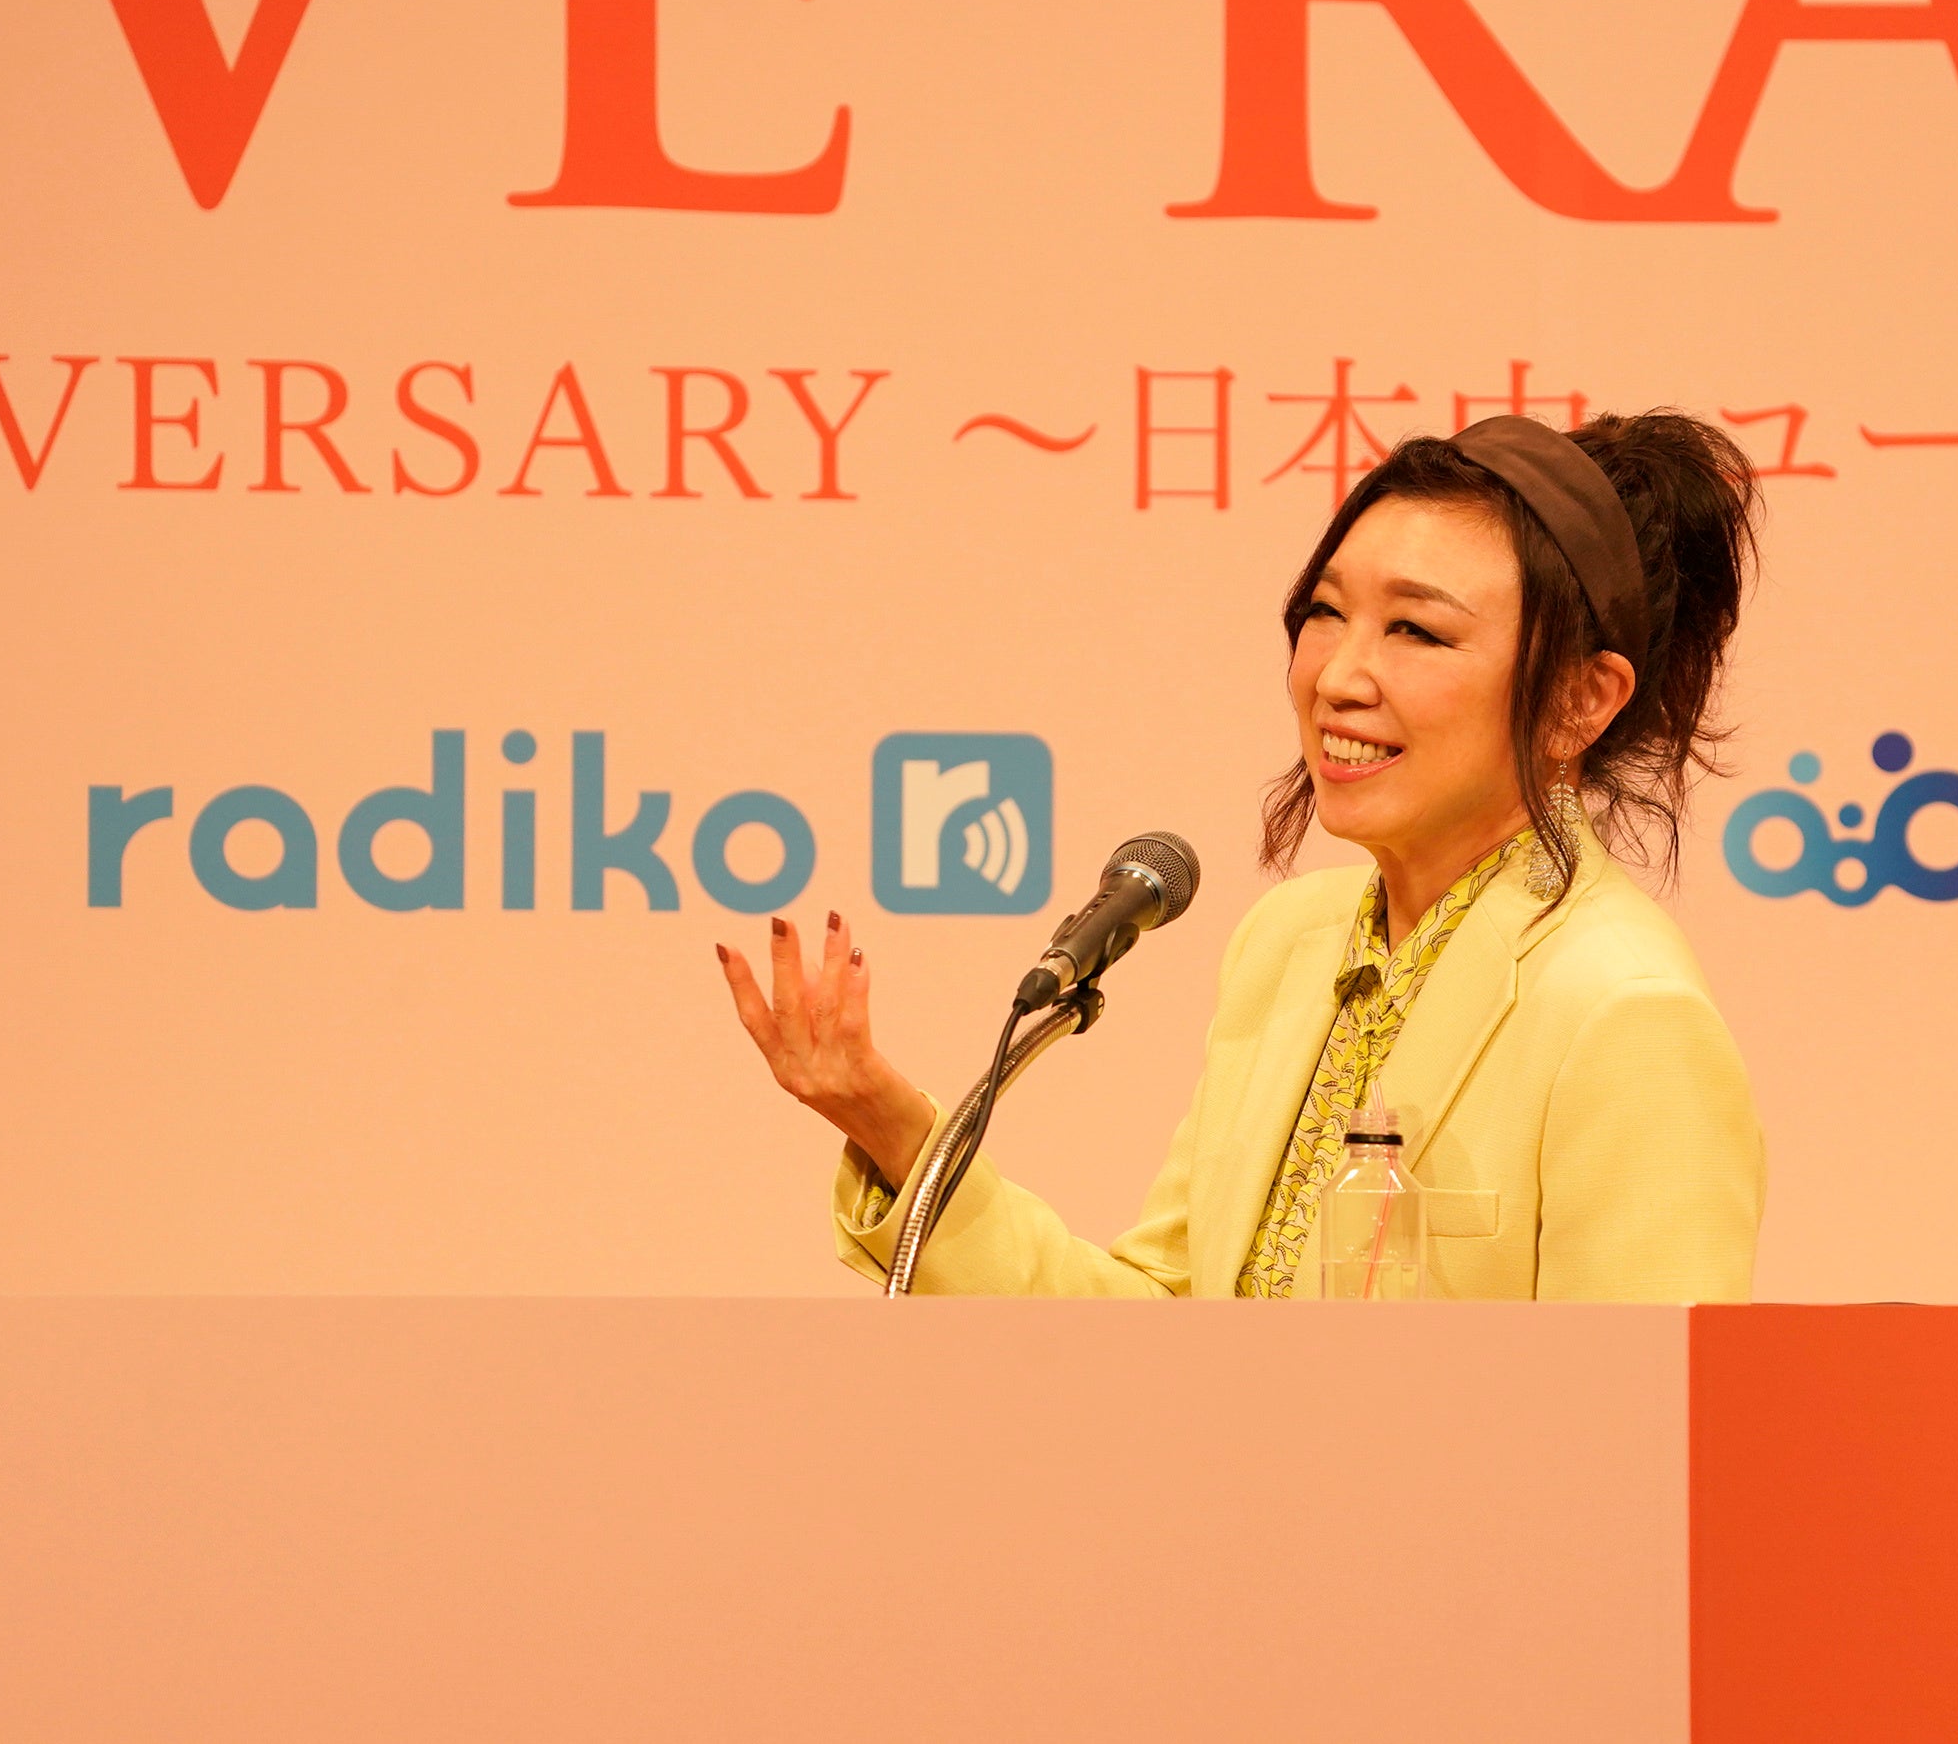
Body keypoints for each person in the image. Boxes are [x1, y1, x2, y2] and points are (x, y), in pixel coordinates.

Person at [719, 411, 1767, 1300]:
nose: (1337, 677)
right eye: (1326, 613)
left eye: (1416, 631)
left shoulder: (1622, 1013)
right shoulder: (1289, 943)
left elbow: (1640, 1432)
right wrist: (892, 1127)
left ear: (1580, 699)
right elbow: (1167, 1329)